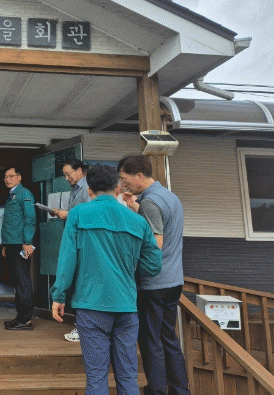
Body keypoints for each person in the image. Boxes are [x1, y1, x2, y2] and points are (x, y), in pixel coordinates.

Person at [50, 164, 162, 395]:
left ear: (89, 190)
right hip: (126, 306)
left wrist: (59, 295)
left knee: (96, 376)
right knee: (128, 376)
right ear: (118, 187)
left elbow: (67, 259)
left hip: (91, 305)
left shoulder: (78, 214)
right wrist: (127, 268)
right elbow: (153, 265)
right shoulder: (138, 221)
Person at [118, 155, 191, 395]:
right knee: (168, 338)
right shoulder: (168, 196)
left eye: (125, 179)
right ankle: (180, 390)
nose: (123, 184)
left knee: (151, 341)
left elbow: (156, 243)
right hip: (174, 280)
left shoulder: (150, 202)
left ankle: (157, 390)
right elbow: (160, 224)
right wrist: (136, 208)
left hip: (154, 283)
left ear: (139, 175)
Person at [50, 158, 91, 342]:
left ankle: (82, 328)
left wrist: (68, 214)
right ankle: (81, 326)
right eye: (64, 175)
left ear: (79, 170)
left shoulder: (88, 187)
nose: (67, 178)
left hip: (84, 242)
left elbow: (89, 212)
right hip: (77, 240)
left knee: (81, 285)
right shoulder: (75, 189)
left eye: (69, 174)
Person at [0, 166, 37, 331]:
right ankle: (20, 317)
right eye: (5, 177)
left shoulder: (24, 194)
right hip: (12, 244)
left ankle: (26, 320)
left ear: (19, 177)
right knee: (17, 281)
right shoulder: (12, 195)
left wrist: (27, 242)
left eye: (11, 176)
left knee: (23, 281)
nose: (7, 179)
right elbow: (9, 222)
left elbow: (30, 218)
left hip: (21, 244)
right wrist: (5, 244)